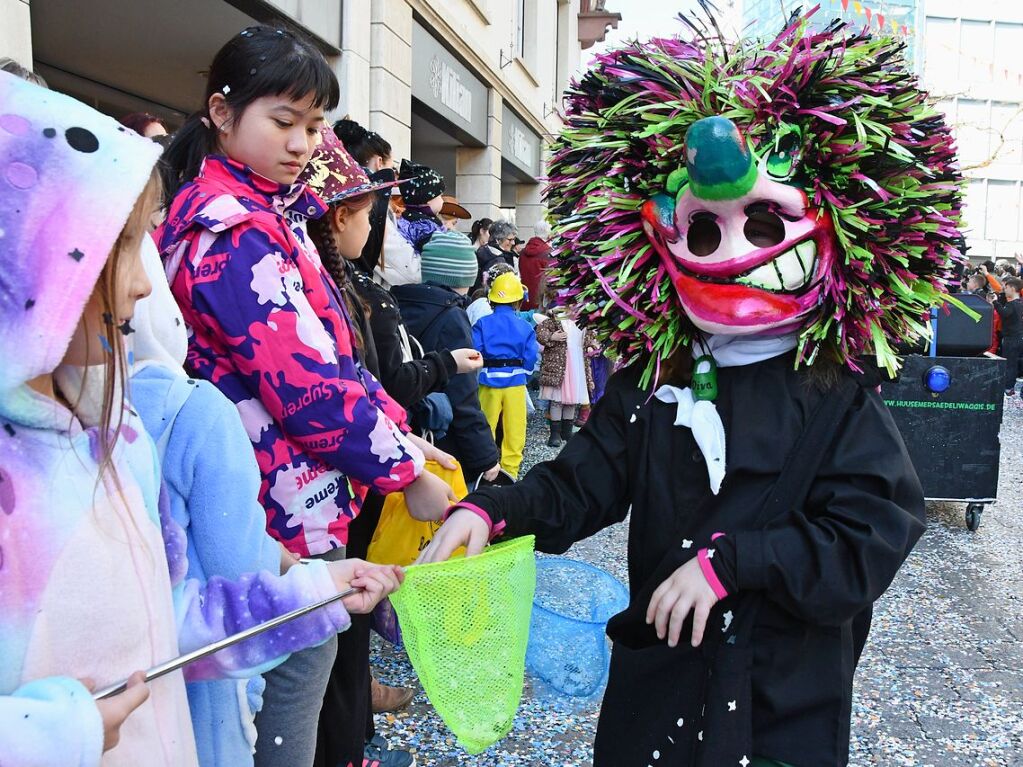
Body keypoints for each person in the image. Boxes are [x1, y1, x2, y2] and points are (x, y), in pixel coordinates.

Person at [418, 12, 956, 765]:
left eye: (763, 221)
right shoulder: (653, 379)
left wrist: (732, 562)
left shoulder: (836, 393)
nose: (730, 249)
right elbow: (583, 482)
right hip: (660, 693)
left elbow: (868, 536)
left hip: (779, 703)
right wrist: (493, 509)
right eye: (703, 231)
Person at [0, 69, 400, 767]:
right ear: (25, 258)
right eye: (119, 246)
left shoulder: (117, 436)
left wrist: (312, 589)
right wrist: (50, 735)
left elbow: (169, 624)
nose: (145, 282)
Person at [157, 25, 452, 767]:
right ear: (221, 114)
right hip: (267, 502)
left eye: (314, 126)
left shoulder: (264, 215)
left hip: (290, 488)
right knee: (279, 697)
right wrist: (402, 469)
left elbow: (334, 356)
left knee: (294, 687)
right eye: (283, 122)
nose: (302, 144)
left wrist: (400, 437)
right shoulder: (229, 228)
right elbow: (304, 383)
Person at [300, 128, 483, 767]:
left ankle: (349, 732)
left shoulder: (342, 282)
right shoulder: (321, 282)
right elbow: (329, 390)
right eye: (371, 204)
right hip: (312, 496)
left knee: (338, 628)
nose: (382, 218)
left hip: (337, 483)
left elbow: (360, 384)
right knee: (319, 640)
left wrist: (403, 447)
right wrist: (406, 464)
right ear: (343, 214)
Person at [393, 230, 502, 486]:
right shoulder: (452, 316)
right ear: (466, 275)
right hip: (441, 436)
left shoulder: (396, 301)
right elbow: (463, 394)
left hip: (404, 431)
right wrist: (485, 456)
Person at [472, 273, 539, 478]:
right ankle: (511, 470)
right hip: (516, 383)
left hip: (488, 381)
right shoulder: (525, 326)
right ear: (518, 300)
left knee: (486, 425)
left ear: (492, 299)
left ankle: (485, 468)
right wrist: (524, 375)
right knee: (515, 428)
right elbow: (530, 357)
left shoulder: (482, 324)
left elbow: (476, 349)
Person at [535, 305, 593, 447]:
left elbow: (589, 340)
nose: (574, 309)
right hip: (559, 366)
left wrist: (592, 343)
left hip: (576, 366)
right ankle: (555, 433)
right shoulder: (556, 320)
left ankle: (566, 432)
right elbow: (540, 333)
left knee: (571, 400)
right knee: (557, 399)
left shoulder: (584, 323)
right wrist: (552, 336)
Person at [395, 159, 445, 253]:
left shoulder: (408, 219)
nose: (442, 200)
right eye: (440, 196)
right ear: (428, 199)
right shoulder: (424, 227)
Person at [989, 277, 1023, 395]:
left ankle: (1008, 387)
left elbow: (1004, 313)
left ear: (1013, 289)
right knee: (1012, 364)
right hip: (1018, 337)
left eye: (1006, 287)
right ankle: (1010, 386)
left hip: (1011, 338)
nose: (1005, 289)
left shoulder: (1012, 304)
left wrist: (995, 302)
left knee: (1009, 364)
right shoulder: (1020, 303)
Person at [472, 220, 517, 292]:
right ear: (498, 240)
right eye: (510, 239)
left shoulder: (484, 251)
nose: (513, 243)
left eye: (514, 239)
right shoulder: (498, 260)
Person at [518, 221, 552, 311]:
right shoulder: (548, 253)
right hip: (540, 301)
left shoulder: (523, 252)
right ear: (548, 234)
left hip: (525, 299)